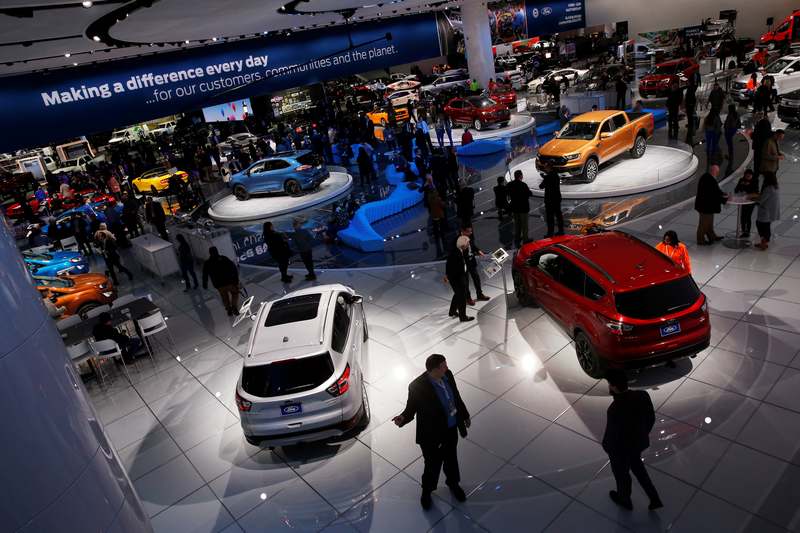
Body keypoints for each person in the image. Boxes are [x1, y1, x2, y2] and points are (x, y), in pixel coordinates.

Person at [393, 354, 470, 510]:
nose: (447, 368)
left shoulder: (447, 375)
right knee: (432, 465)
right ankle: (427, 491)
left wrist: (465, 415)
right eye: (443, 366)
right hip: (431, 435)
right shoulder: (417, 386)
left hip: (450, 428)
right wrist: (402, 418)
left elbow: (455, 396)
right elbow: (411, 409)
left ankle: (453, 484)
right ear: (434, 370)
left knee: (451, 459)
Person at [602, 369, 663, 512]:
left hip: (620, 451)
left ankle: (625, 499)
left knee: (622, 475)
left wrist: (607, 447)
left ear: (614, 387)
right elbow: (650, 419)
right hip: (637, 444)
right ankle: (654, 498)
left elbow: (612, 436)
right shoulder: (642, 395)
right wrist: (642, 435)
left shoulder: (614, 409)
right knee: (639, 470)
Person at [202, 246, 240, 316]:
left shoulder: (207, 263)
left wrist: (205, 283)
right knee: (235, 293)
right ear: (217, 251)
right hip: (229, 282)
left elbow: (205, 274)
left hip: (218, 285)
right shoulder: (224, 258)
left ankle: (229, 310)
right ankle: (234, 306)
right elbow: (233, 268)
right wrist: (236, 280)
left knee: (224, 297)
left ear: (210, 253)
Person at [694, 164, 727, 245]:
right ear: (713, 171)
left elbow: (716, 190)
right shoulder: (708, 179)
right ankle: (700, 240)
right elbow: (713, 193)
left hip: (707, 206)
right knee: (704, 224)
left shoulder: (709, 177)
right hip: (704, 206)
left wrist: (723, 194)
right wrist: (724, 199)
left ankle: (712, 236)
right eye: (717, 172)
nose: (717, 173)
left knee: (709, 222)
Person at [443, 236, 474, 322]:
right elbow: (449, 265)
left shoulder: (460, 251)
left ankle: (452, 312)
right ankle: (463, 317)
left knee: (458, 294)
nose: (468, 244)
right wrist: (447, 275)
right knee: (461, 297)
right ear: (463, 244)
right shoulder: (455, 253)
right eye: (467, 243)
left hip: (459, 276)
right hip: (457, 278)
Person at [460, 226, 490, 304]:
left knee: (476, 278)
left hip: (472, 262)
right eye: (468, 232)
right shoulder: (459, 240)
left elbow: (473, 246)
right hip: (464, 264)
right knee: (466, 282)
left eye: (471, 231)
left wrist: (478, 250)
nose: (470, 233)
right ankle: (468, 298)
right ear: (463, 231)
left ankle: (479, 294)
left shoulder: (469, 237)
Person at [506, 169, 533, 247]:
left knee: (517, 224)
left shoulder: (510, 184)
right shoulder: (523, 185)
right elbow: (529, 194)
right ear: (521, 176)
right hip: (523, 208)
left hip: (515, 208)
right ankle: (525, 239)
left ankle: (517, 238)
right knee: (524, 225)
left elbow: (507, 193)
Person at [755, 171, 780, 250]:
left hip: (766, 211)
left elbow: (762, 199)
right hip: (771, 211)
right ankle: (764, 242)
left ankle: (764, 242)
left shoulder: (768, 188)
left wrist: (754, 199)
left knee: (761, 225)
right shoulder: (775, 186)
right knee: (766, 226)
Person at [734, 169, 759, 237]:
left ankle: (747, 232)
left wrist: (748, 185)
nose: (747, 177)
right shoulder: (741, 180)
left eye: (749, 176)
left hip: (751, 201)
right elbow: (736, 190)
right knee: (742, 217)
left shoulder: (755, 181)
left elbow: (756, 192)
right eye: (746, 176)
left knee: (748, 216)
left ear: (752, 176)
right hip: (743, 200)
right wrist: (742, 185)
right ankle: (743, 231)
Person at [539, 170, 564, 238]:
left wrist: (544, 178)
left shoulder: (547, 177)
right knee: (559, 215)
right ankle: (561, 231)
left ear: (548, 168)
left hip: (549, 200)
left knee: (550, 217)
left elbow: (541, 186)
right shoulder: (556, 176)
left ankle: (550, 233)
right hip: (557, 198)